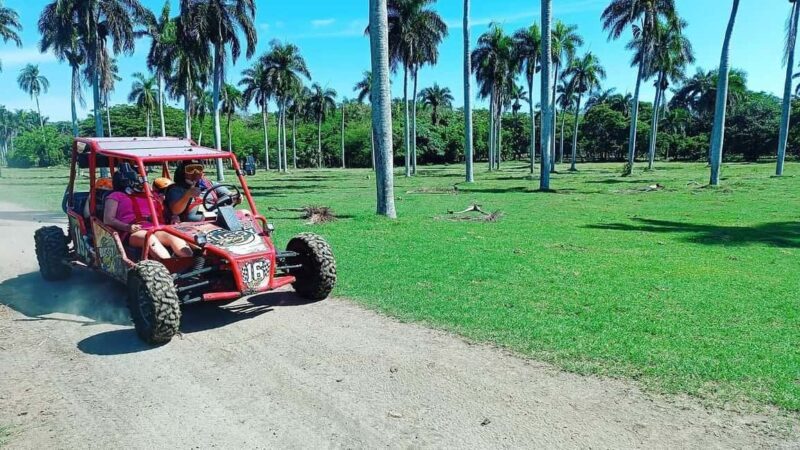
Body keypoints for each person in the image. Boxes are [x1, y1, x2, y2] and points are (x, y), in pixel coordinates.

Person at [103, 170, 193, 259]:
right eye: (139, 179)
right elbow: (108, 219)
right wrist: (127, 227)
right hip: (133, 231)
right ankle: (168, 266)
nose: (144, 183)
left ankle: (190, 263)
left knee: (173, 236)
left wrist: (173, 217)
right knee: (149, 238)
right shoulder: (116, 195)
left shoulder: (152, 195)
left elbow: (165, 212)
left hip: (156, 227)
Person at [166, 160, 239, 222]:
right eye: (190, 169)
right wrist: (187, 195)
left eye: (198, 168)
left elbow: (230, 195)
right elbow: (175, 211)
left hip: (218, 215)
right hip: (193, 226)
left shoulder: (210, 184)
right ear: (183, 172)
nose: (195, 172)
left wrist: (237, 197)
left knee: (245, 213)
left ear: (202, 171)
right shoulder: (176, 189)